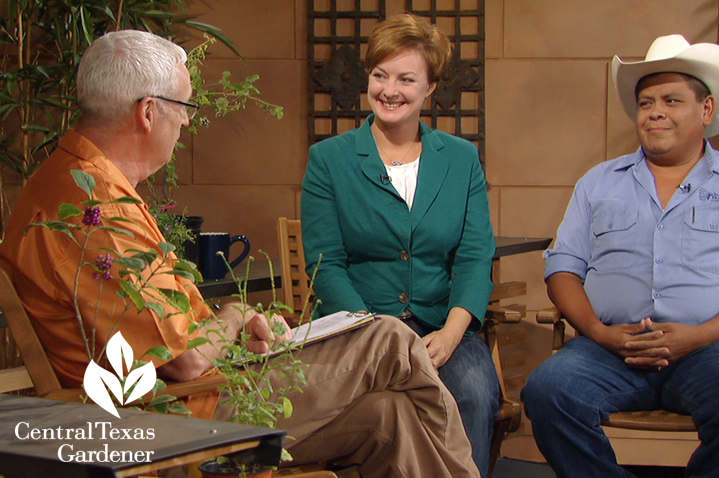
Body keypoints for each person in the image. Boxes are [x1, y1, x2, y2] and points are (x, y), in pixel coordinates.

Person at [0, 30, 480, 478]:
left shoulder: (73, 181)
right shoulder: (94, 209)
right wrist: (232, 316)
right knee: (389, 339)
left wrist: (236, 328)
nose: (187, 119)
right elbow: (185, 360)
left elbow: (167, 334)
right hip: (182, 417)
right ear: (148, 112)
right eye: (184, 106)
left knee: (390, 414)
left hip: (199, 393)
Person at [521, 34, 719, 478]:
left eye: (671, 100)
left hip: (713, 350)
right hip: (611, 349)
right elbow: (563, 268)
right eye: (647, 102)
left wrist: (700, 335)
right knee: (548, 392)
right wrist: (598, 331)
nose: (655, 112)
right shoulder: (598, 182)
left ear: (706, 110)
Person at [301, 14, 499, 477]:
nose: (390, 90)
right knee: (386, 407)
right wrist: (376, 336)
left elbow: (474, 256)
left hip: (440, 328)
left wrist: (452, 335)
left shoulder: (461, 158)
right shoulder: (329, 159)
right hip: (359, 330)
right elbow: (325, 265)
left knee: (472, 392)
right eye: (380, 76)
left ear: (430, 88)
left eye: (406, 79)